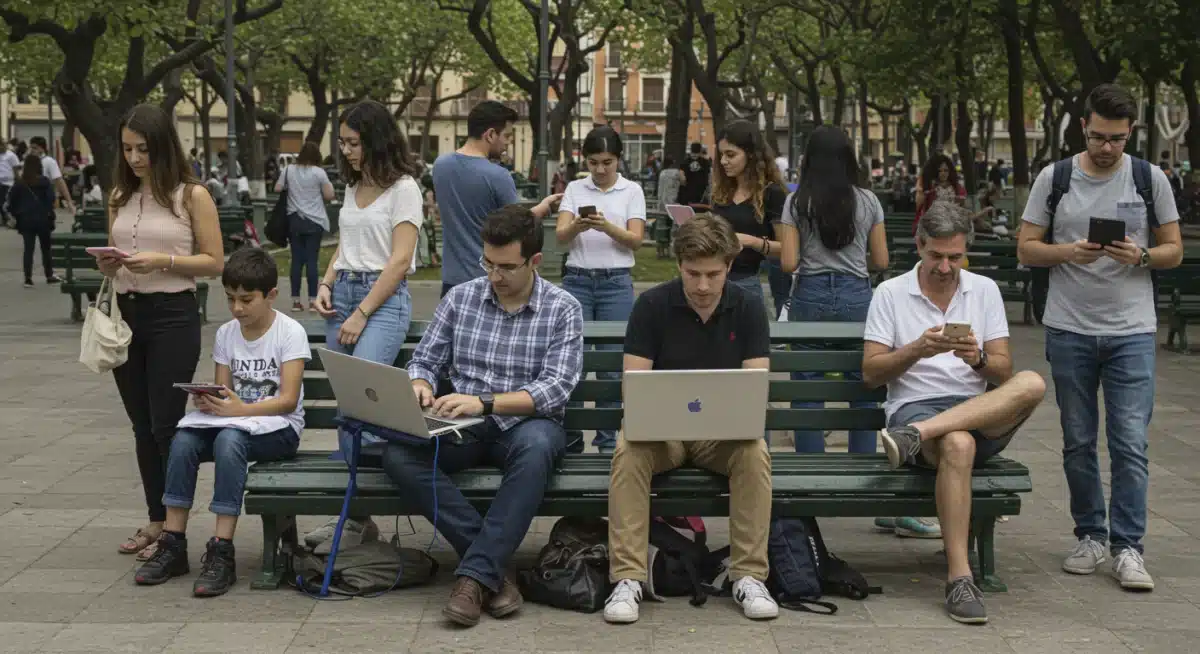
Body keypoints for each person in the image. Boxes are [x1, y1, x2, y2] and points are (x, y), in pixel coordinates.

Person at [381, 203, 583, 626]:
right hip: (463, 424)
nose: (494, 276)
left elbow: (555, 388)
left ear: (535, 261)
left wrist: (487, 402)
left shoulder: (562, 308)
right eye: (487, 263)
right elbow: (424, 361)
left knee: (540, 446)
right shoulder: (461, 297)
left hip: (524, 424)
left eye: (506, 267)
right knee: (398, 455)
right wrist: (419, 384)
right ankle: (490, 571)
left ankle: (473, 578)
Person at [1017, 83, 1183, 592]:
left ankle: (1128, 547)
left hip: (1132, 329)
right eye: (1096, 136)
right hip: (1069, 327)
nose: (1106, 147)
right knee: (1078, 440)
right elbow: (1025, 247)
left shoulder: (1148, 178)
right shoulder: (1056, 177)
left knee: (1130, 441)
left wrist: (1144, 257)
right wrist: (1068, 252)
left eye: (1115, 138)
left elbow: (1173, 248)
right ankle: (1090, 534)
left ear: (1130, 132)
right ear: (1083, 127)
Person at [863, 202, 1046, 624]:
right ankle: (960, 578)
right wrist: (915, 350)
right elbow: (871, 374)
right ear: (919, 245)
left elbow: (1004, 372)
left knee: (1033, 383)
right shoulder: (890, 293)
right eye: (936, 256)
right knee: (958, 443)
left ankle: (918, 433)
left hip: (974, 410)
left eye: (955, 257)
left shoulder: (983, 290)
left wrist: (977, 358)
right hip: (915, 405)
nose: (945, 267)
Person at [603, 213, 777, 624]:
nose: (701, 286)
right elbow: (634, 383)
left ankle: (749, 575)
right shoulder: (652, 305)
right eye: (692, 273)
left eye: (712, 274)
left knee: (755, 452)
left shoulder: (748, 306)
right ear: (678, 264)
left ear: (729, 267)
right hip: (664, 436)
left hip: (722, 437)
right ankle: (627, 578)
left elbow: (755, 384)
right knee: (629, 449)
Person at [133, 248, 309, 597]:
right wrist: (209, 400)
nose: (237, 308)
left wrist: (237, 410)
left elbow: (288, 400)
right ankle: (173, 542)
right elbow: (224, 390)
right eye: (230, 299)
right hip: (236, 422)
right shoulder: (227, 334)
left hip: (279, 428)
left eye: (246, 299)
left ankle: (221, 550)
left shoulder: (289, 332)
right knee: (183, 439)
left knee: (230, 441)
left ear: (271, 295)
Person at [99, 104, 225, 560]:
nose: (134, 158)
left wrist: (163, 261)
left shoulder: (191, 195)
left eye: (143, 149)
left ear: (163, 147)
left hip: (173, 313)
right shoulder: (118, 194)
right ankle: (156, 520)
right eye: (128, 149)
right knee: (140, 426)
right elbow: (114, 251)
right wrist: (108, 262)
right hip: (126, 314)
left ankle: (175, 530)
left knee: (166, 425)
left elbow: (214, 262)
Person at [303, 100, 425, 554]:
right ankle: (357, 518)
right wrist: (326, 283)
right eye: (343, 143)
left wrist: (363, 312)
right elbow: (346, 246)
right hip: (345, 295)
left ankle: (369, 509)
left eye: (354, 143)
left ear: (376, 141)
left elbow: (398, 261)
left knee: (366, 408)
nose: (346, 151)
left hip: (384, 299)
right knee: (348, 411)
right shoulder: (353, 188)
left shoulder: (405, 188)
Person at [776, 127, 891, 447]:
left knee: (807, 391)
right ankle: (863, 470)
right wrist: (852, 261)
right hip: (857, 296)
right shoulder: (869, 201)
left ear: (808, 160)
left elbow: (787, 263)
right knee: (863, 389)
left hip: (809, 295)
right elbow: (881, 260)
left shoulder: (796, 202)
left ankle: (810, 471)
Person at [555, 126, 644, 453]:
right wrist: (577, 224)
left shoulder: (631, 190)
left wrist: (606, 226)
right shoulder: (575, 189)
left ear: (618, 159)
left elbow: (636, 239)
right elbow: (561, 236)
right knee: (571, 366)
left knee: (610, 368)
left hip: (616, 282)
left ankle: (608, 445)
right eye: (593, 162)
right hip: (578, 280)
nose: (600, 170)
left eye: (607, 162)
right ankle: (573, 441)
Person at [434, 100, 561, 297]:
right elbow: (515, 227)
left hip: (451, 282)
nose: (508, 142)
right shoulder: (498, 176)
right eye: (507, 136)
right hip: (490, 280)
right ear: (490, 134)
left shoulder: (440, 166)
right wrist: (544, 208)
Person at [709, 120, 787, 303]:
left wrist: (751, 241)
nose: (723, 161)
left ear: (751, 155)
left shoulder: (772, 193)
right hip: (710, 280)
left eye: (730, 155)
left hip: (745, 283)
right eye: (721, 155)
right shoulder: (721, 191)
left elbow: (787, 249)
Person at [274, 141, 334, 312]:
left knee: (296, 261)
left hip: (294, 220)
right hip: (315, 221)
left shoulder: (289, 170)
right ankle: (313, 301)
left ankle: (295, 301)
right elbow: (329, 195)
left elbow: (278, 188)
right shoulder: (319, 173)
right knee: (312, 261)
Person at [7, 154, 61, 287]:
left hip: (26, 220)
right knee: (46, 249)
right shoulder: (44, 182)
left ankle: (28, 278)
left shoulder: (20, 183)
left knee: (28, 249)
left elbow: (11, 201)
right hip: (43, 219)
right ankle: (49, 275)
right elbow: (51, 200)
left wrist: (17, 214)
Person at [913, 153, 966, 234]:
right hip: (930, 228)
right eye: (939, 171)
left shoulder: (957, 188)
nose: (943, 173)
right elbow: (918, 206)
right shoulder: (928, 187)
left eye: (946, 170)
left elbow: (963, 209)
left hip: (952, 227)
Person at [28, 136, 76, 215]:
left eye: (35, 148)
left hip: (44, 199)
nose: (32, 151)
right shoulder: (28, 162)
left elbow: (59, 181)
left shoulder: (49, 162)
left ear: (42, 149)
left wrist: (69, 201)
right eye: (31, 148)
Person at [678, 142, 712, 208]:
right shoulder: (705, 162)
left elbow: (682, 179)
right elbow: (709, 177)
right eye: (694, 153)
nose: (694, 155)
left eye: (695, 153)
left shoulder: (686, 162)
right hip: (694, 193)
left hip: (693, 194)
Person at [0, 140, 21, 228]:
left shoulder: (11, 155)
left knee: (4, 203)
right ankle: (5, 219)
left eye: (4, 145)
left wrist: (18, 182)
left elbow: (15, 169)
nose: (3, 147)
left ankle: (9, 219)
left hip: (8, 183)